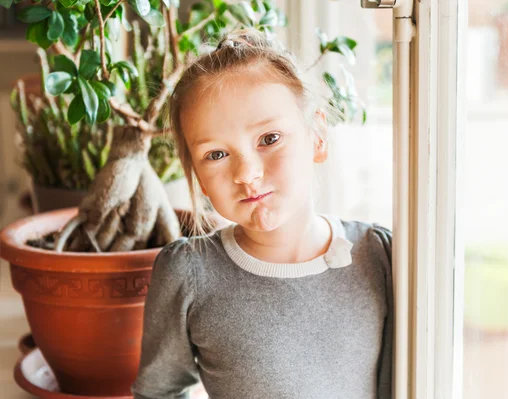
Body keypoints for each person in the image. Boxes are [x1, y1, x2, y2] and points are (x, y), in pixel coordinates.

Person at [131, 28, 393, 399]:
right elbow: (158, 391)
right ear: (198, 178)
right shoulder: (188, 273)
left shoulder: (379, 255)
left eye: (269, 139)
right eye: (216, 155)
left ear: (317, 136)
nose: (246, 173)